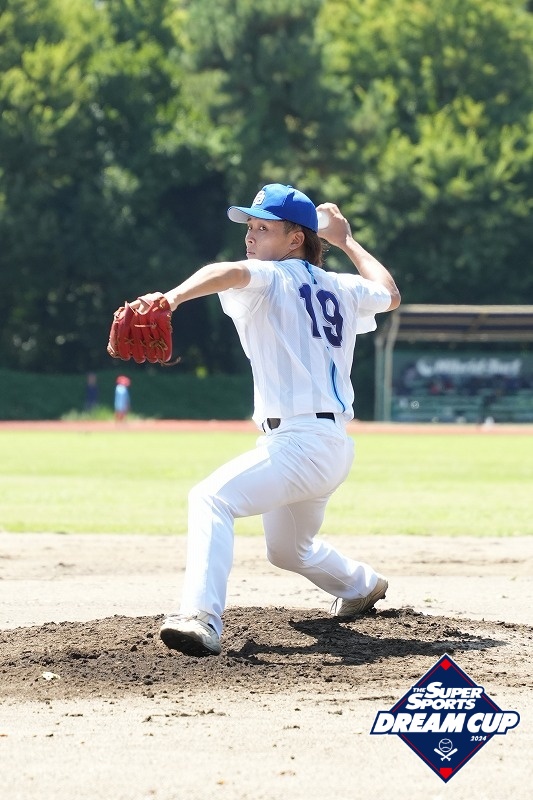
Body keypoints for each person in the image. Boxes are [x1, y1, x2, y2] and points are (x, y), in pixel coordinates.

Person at [137, 183, 400, 656]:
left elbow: (226, 271)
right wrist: (347, 241)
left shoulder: (272, 276)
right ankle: (362, 585)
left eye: (263, 227)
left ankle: (200, 618)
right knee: (288, 550)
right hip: (328, 444)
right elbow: (389, 293)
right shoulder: (341, 286)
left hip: (301, 442)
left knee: (210, 498)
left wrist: (170, 298)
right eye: (250, 226)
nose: (250, 236)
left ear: (295, 239)